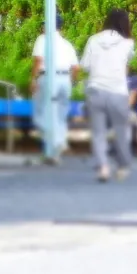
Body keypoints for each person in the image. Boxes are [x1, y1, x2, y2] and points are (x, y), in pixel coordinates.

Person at [81, 8, 136, 183]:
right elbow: (129, 63)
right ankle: (122, 167)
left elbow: (85, 65)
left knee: (98, 132)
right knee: (121, 131)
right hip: (118, 92)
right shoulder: (128, 44)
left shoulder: (93, 40)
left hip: (96, 90)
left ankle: (103, 167)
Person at [29, 12, 80, 162]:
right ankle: (60, 144)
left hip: (48, 77)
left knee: (40, 113)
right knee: (60, 115)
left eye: (44, 24)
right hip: (65, 79)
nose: (42, 27)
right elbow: (76, 68)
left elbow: (38, 61)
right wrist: (70, 81)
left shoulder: (42, 39)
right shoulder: (67, 44)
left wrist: (32, 79)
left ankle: (56, 142)